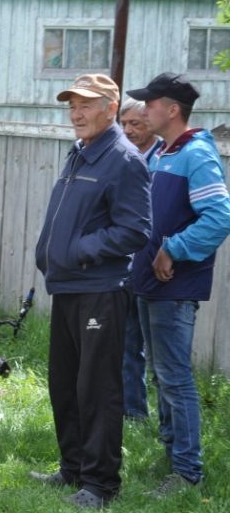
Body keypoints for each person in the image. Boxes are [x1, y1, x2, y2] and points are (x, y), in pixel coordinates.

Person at [29, 73, 151, 509]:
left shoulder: (123, 158)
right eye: (72, 105)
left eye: (85, 105)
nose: (76, 113)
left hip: (100, 289)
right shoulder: (81, 152)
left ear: (110, 108)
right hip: (67, 286)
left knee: (96, 388)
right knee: (65, 383)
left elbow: (135, 230)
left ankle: (101, 484)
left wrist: (80, 250)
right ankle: (73, 469)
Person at [127, 73, 230, 497]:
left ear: (172, 109)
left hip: (173, 286)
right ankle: (172, 457)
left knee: (175, 378)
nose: (144, 110)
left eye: (150, 104)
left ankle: (187, 472)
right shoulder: (164, 153)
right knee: (160, 372)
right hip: (150, 283)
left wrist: (174, 249)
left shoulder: (197, 153)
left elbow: (219, 217)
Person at [118, 97, 163, 421]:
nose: (128, 130)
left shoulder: (164, 159)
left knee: (161, 354)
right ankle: (133, 410)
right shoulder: (122, 157)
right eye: (125, 124)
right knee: (126, 342)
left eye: (136, 123)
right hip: (124, 266)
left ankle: (169, 425)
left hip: (157, 267)